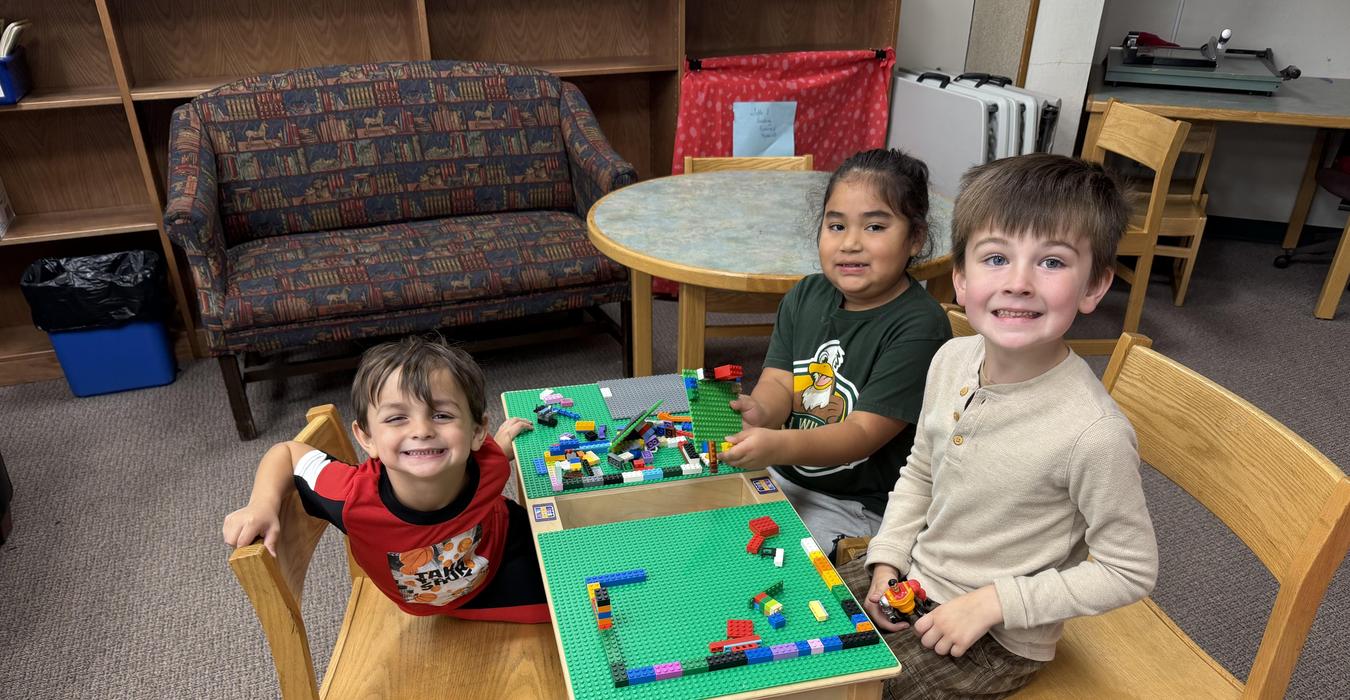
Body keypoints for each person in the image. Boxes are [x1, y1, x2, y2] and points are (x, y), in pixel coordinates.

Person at [838, 153, 1159, 698]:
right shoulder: (951, 360)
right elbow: (921, 472)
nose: (1019, 283)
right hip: (913, 580)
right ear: (960, 277)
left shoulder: (1092, 433)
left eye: (1052, 263)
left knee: (843, 691)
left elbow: (1130, 570)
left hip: (995, 639)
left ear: (1094, 286)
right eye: (994, 258)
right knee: (789, 628)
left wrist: (995, 603)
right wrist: (887, 557)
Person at [720, 148, 951, 556]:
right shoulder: (806, 295)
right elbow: (779, 381)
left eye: (875, 227)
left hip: (858, 505)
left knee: (774, 563)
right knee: (710, 530)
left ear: (915, 238)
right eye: (836, 225)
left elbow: (860, 435)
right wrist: (759, 411)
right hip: (785, 474)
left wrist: (774, 442)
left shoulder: (921, 327)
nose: (851, 244)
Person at [222, 335, 547, 623]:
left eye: (442, 415)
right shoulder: (351, 497)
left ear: (477, 432)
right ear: (367, 438)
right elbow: (288, 452)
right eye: (396, 418)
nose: (422, 430)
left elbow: (491, 456)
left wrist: (501, 446)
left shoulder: (485, 459)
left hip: (510, 537)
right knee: (575, 615)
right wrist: (261, 504)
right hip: (472, 598)